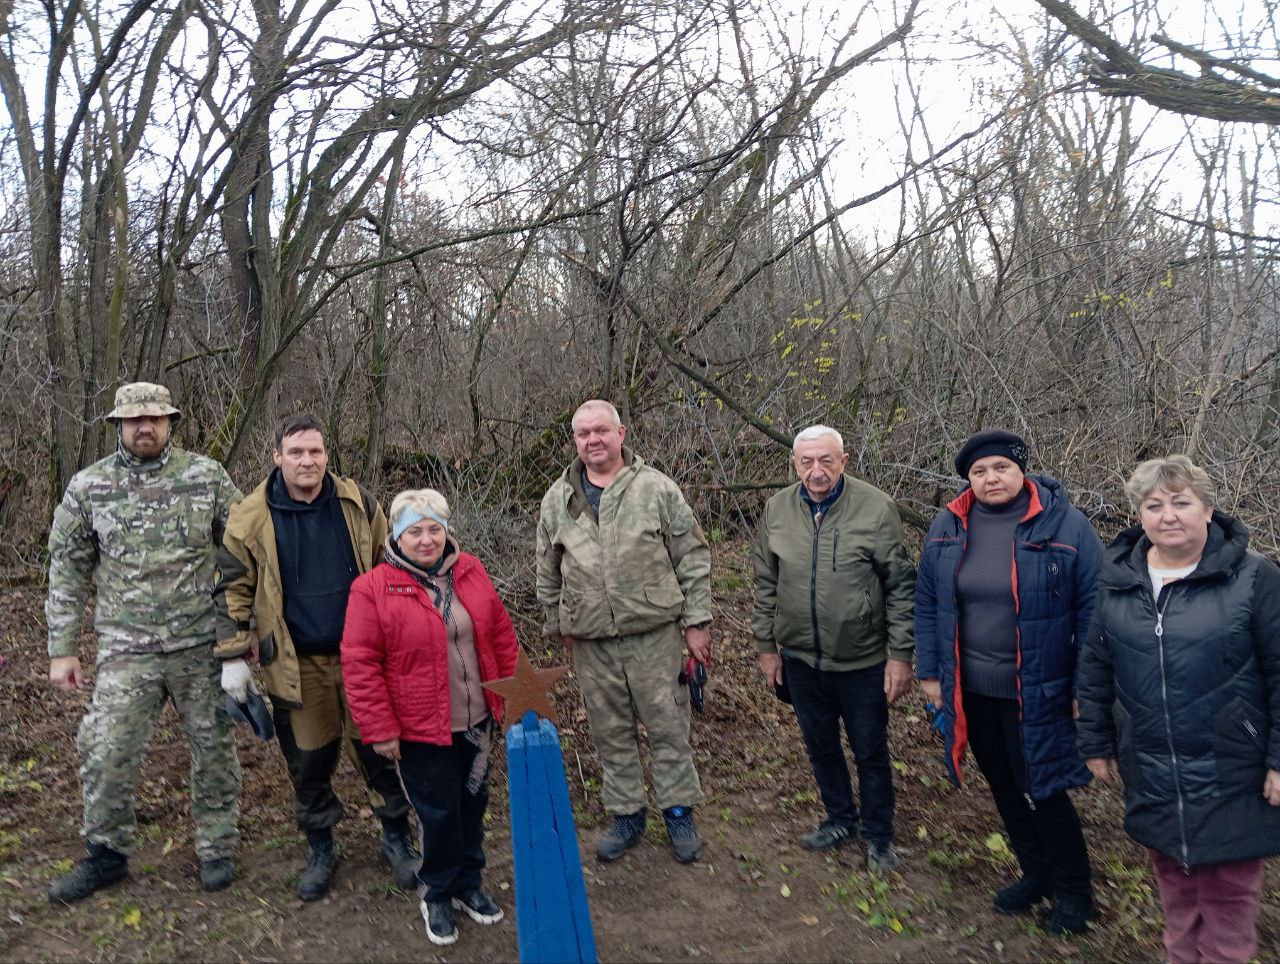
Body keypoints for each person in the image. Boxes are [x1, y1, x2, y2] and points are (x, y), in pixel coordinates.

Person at [1077, 455, 1280, 963]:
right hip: (1152, 766)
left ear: (1208, 510)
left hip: (1233, 769)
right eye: (1154, 505)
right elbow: (1096, 664)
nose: (1169, 515)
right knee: (1176, 897)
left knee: (1230, 902)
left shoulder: (1255, 579)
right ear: (1139, 516)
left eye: (1182, 502)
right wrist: (1095, 741)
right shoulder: (1120, 580)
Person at [45, 382, 243, 901]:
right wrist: (62, 647)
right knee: (106, 748)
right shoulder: (90, 486)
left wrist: (237, 636)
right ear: (118, 425)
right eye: (134, 421)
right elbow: (66, 568)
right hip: (125, 651)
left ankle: (217, 844)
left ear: (170, 421)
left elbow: (242, 555)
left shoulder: (206, 477)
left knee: (214, 747)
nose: (145, 428)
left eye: (154, 418)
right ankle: (107, 853)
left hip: (200, 643)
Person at [213, 414, 417, 900]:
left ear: (327, 455)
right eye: (297, 452)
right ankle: (321, 846)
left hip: (365, 661)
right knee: (308, 763)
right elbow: (230, 590)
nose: (308, 461)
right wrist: (231, 659)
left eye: (316, 452)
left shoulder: (358, 503)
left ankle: (398, 839)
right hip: (296, 666)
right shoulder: (249, 516)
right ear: (277, 456)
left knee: (382, 753)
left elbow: (394, 567)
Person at [915, 429, 1101, 934]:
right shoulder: (950, 524)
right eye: (979, 471)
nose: (990, 478)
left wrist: (1086, 686)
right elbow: (929, 601)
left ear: (1022, 470)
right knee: (1001, 783)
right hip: (971, 687)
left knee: (1043, 787)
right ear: (968, 480)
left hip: (1039, 688)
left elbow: (1094, 611)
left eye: (1000, 468)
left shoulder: (1066, 524)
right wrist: (929, 672)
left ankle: (1075, 892)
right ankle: (1036, 872)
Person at [536, 400, 712, 863]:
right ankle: (627, 815)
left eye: (601, 431)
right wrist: (560, 622)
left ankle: (678, 813)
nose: (592, 440)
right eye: (582, 434)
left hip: (654, 632)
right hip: (592, 640)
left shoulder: (656, 488)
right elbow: (547, 568)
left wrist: (697, 623)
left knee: (668, 726)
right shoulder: (558, 498)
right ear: (574, 441)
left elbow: (691, 558)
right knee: (610, 731)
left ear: (621, 433)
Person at [341, 489, 518, 947]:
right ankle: (437, 891)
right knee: (438, 813)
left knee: (474, 805)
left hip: (477, 718)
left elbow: (500, 635)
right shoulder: (373, 589)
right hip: (420, 729)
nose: (426, 540)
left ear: (446, 531)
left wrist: (514, 698)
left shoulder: (471, 571)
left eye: (434, 529)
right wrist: (379, 729)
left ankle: (468, 883)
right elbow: (360, 663)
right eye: (414, 531)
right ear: (396, 537)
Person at [752, 425, 916, 872]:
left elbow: (901, 586)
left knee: (870, 750)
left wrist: (900, 655)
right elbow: (766, 581)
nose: (816, 471)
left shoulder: (876, 507)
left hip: (862, 659)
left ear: (844, 461)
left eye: (826, 460)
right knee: (820, 744)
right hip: (801, 658)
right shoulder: (777, 508)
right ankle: (840, 818)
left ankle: (879, 834)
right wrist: (767, 646)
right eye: (807, 462)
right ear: (794, 464)